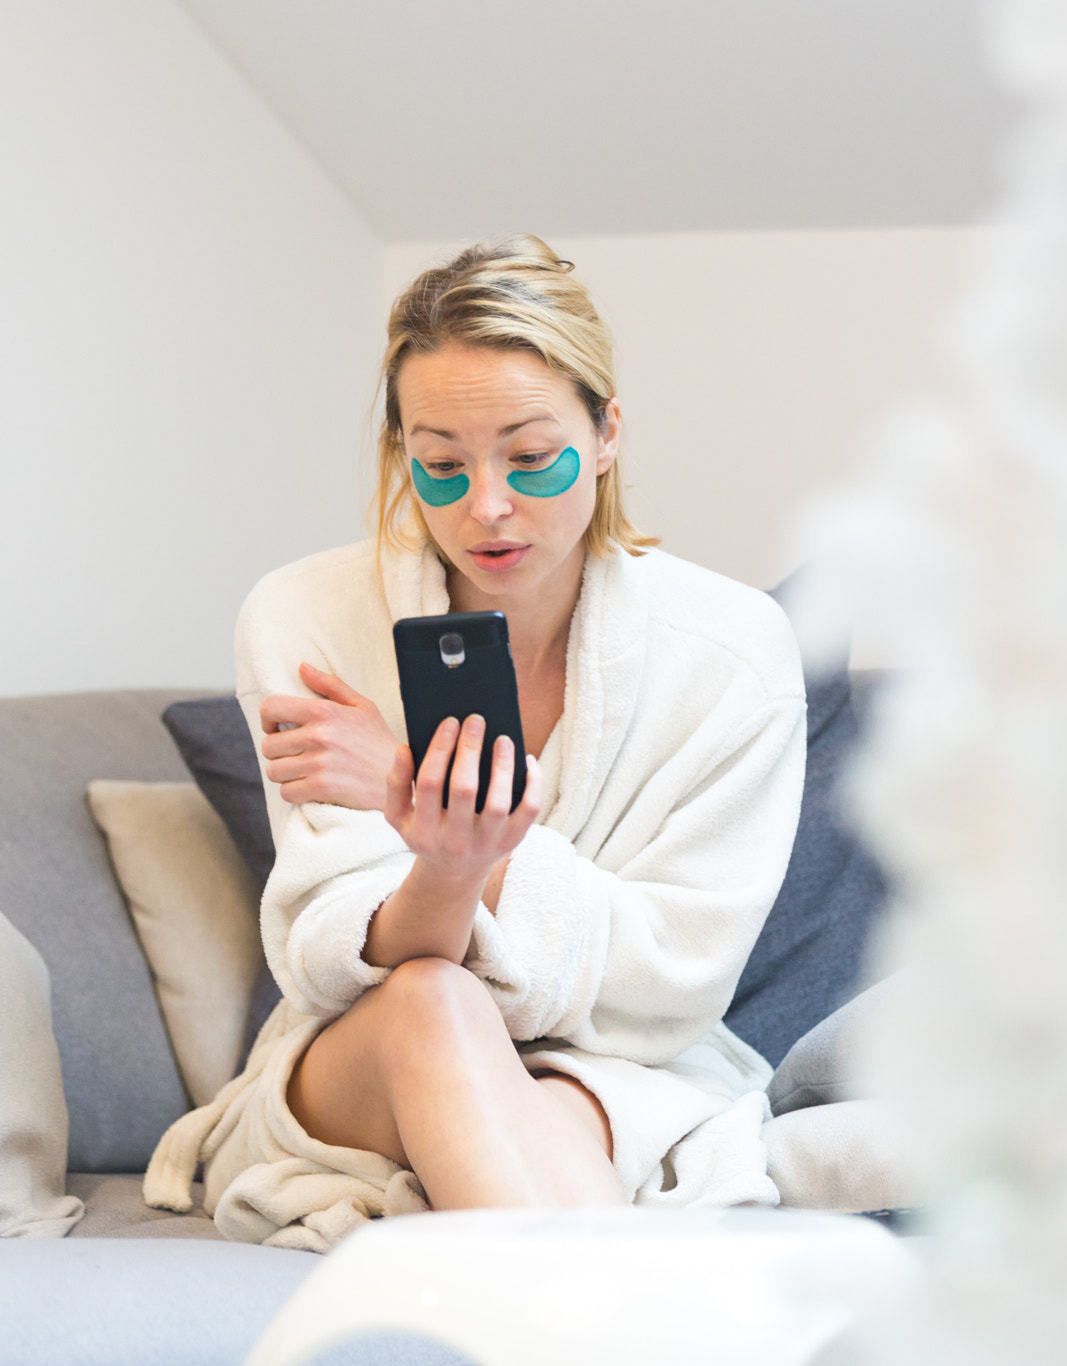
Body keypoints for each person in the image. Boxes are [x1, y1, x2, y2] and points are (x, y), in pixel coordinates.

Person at [142, 236, 807, 1250]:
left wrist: (424, 806)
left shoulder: (732, 655)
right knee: (430, 1000)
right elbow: (327, 967)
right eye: (441, 465)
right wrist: (449, 868)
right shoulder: (304, 617)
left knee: (553, 1132)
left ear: (608, 429)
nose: (485, 506)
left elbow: (673, 980)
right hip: (359, 1055)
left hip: (613, 1061)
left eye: (531, 457)